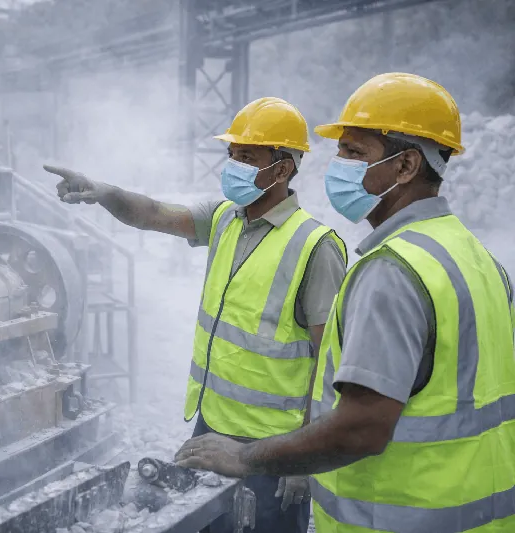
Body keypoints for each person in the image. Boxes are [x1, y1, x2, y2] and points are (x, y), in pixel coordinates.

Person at [175, 73, 515, 533]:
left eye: (355, 152)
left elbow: (362, 427)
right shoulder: (478, 259)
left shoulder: (393, 271)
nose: (338, 165)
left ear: (406, 165)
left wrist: (248, 455)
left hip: (397, 515)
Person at [45, 97, 348, 533]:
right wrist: (105, 193)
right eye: (232, 155)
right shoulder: (225, 218)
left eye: (247, 157)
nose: (234, 165)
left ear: (282, 169)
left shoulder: (315, 247)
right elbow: (153, 214)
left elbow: (330, 361)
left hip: (271, 447)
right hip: (210, 429)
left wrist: (303, 457)